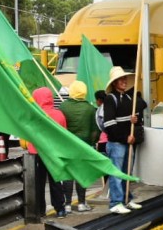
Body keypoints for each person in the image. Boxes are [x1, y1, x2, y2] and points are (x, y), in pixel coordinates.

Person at [103, 66, 146, 214]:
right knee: (117, 173)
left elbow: (136, 115)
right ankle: (115, 202)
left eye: (124, 78)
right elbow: (109, 124)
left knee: (127, 172)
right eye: (120, 79)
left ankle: (126, 199)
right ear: (114, 83)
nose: (124, 81)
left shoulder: (129, 98)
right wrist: (124, 137)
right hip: (116, 143)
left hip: (128, 142)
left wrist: (134, 119)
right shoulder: (110, 99)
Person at [59, 81, 99, 213]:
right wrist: (92, 143)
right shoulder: (90, 108)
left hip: (67, 146)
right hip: (84, 145)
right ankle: (82, 203)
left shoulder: (63, 107)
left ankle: (67, 204)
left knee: (68, 175)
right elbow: (95, 130)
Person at [30, 87, 67, 218]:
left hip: (37, 153)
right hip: (54, 153)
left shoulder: (34, 115)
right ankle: (60, 208)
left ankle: (40, 210)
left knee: (38, 183)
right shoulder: (59, 114)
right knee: (56, 181)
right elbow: (64, 134)